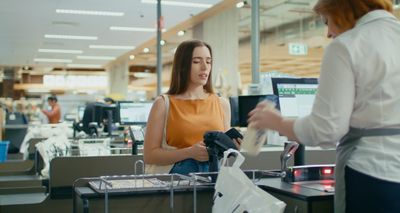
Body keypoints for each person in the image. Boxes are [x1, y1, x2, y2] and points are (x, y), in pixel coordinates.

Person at [248, 1, 400, 212]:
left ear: (342, 11)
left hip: (372, 174)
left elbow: (327, 129)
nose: (328, 33)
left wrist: (277, 122)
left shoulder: (346, 46)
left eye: (327, 21)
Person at [144, 39, 240, 175]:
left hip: (213, 182)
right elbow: (150, 155)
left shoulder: (221, 103)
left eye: (208, 61)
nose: (204, 67)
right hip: (176, 185)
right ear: (182, 66)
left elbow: (223, 153)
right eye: (196, 61)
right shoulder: (163, 104)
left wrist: (233, 148)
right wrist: (189, 153)